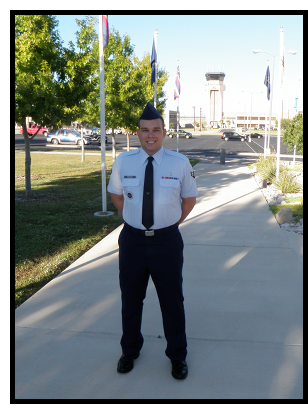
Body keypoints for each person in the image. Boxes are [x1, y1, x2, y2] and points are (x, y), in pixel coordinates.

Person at [107, 102, 198, 380]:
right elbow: (117, 196)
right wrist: (134, 218)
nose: (150, 135)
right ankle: (130, 350)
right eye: (145, 130)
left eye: (155, 130)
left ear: (164, 132)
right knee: (131, 300)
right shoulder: (124, 162)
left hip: (167, 243)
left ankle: (177, 356)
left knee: (172, 301)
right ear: (137, 132)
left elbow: (189, 200)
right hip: (132, 243)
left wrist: (168, 224)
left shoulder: (180, 163)